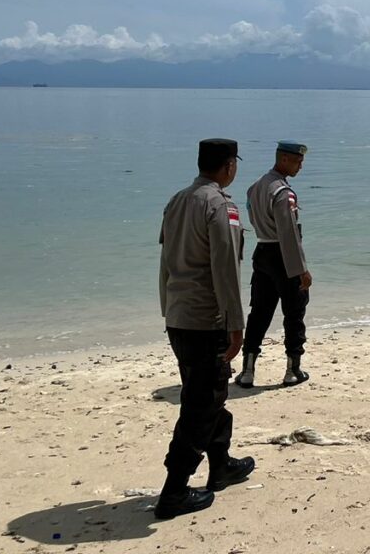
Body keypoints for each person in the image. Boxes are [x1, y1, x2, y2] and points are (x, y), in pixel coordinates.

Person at [156, 138, 255, 519]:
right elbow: (226, 269)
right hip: (205, 319)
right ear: (229, 165)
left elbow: (165, 263)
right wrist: (235, 324)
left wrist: (168, 310)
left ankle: (221, 465)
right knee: (201, 405)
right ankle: (174, 491)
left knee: (209, 394)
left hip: (179, 317)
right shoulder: (221, 206)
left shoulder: (177, 201)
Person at [234, 141, 313, 388]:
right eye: (298, 161)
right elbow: (288, 233)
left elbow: (254, 218)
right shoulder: (283, 193)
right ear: (284, 159)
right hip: (282, 254)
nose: (301, 166)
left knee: (259, 312)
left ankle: (247, 370)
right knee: (294, 311)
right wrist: (301, 269)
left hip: (262, 250)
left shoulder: (255, 187)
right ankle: (293, 369)